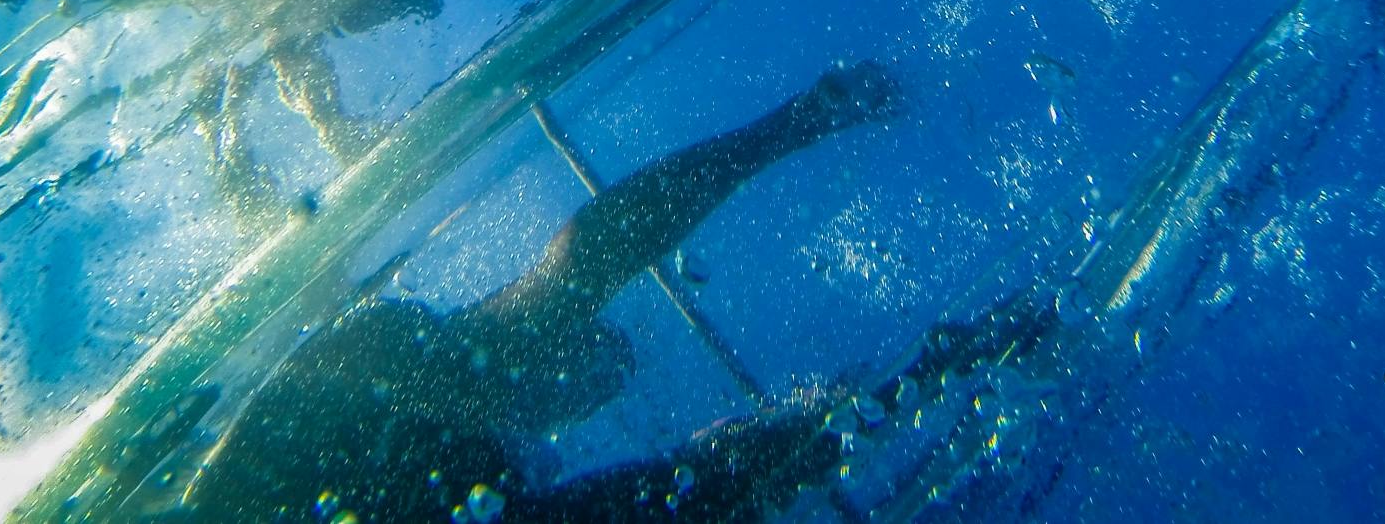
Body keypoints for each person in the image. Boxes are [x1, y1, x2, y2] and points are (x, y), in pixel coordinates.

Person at [182, 62, 904, 523]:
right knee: (555, 322)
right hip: (341, 419)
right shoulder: (459, 407)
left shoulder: (451, 402)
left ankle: (887, 385)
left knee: (555, 321)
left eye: (597, 380)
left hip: (336, 423)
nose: (603, 384)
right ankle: (889, 384)